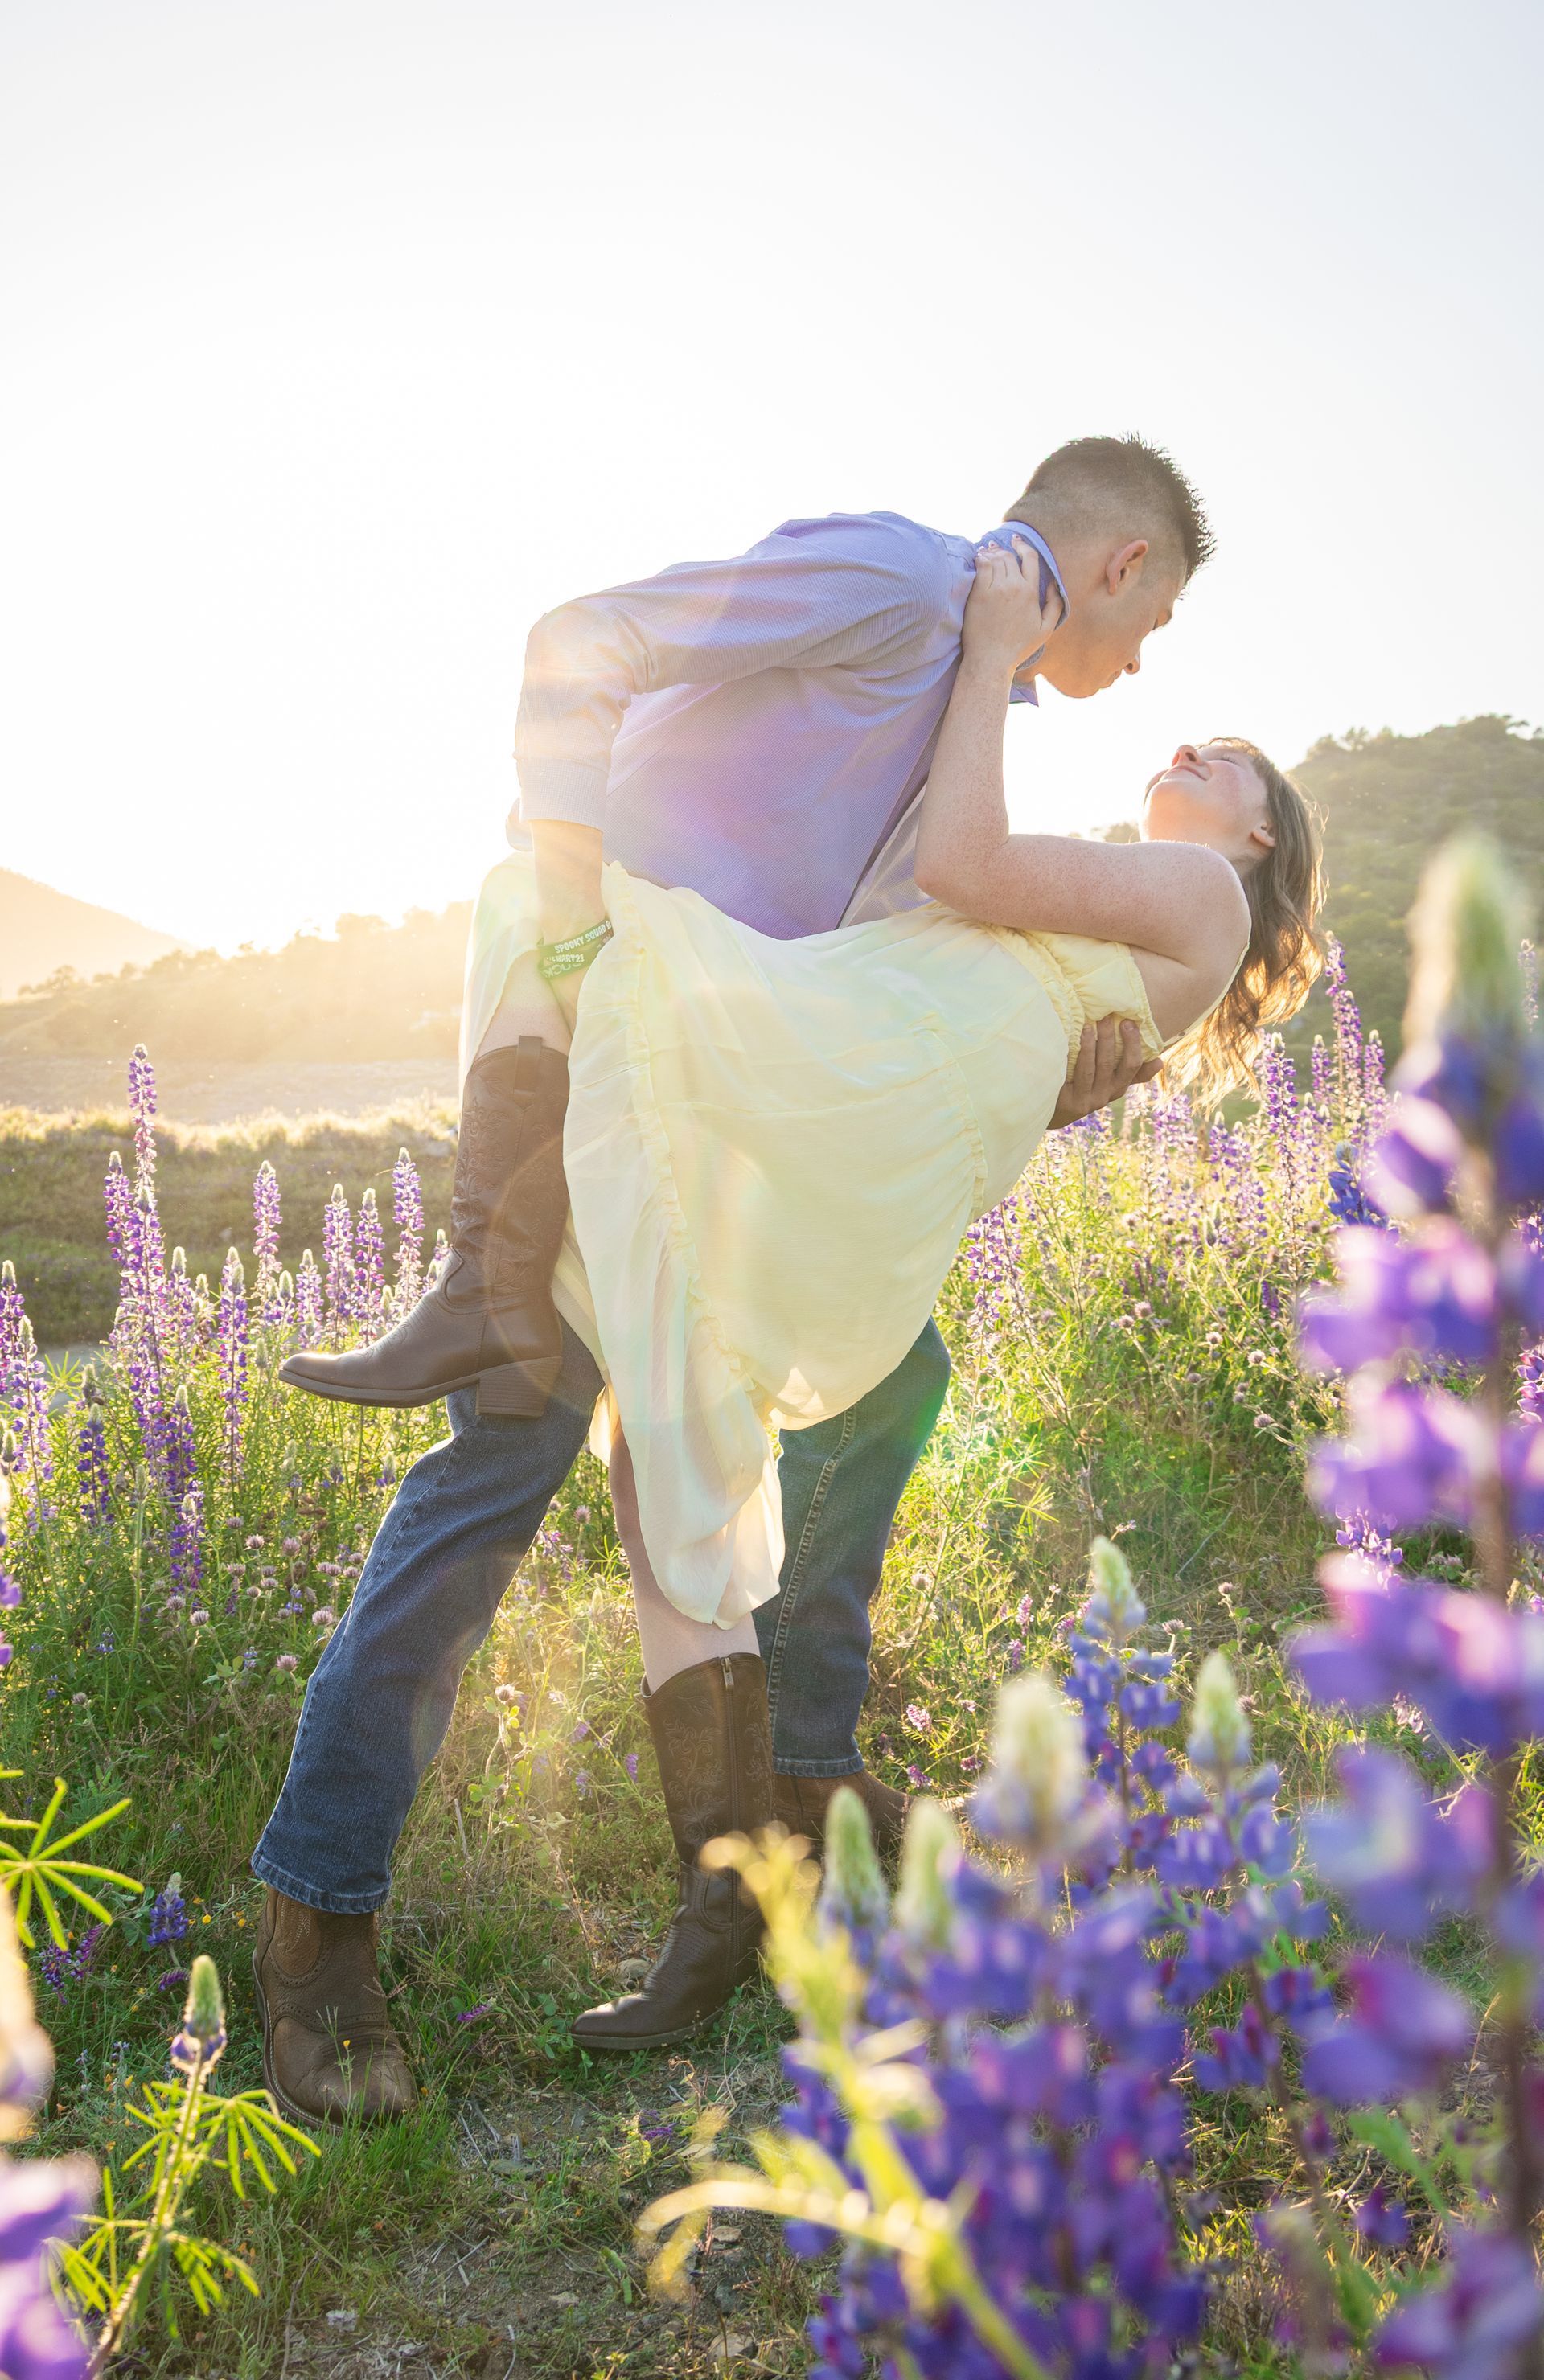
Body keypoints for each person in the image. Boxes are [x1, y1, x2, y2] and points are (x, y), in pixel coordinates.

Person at [254, 438, 1217, 2121]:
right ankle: (313, 1943)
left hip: (693, 1123)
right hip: (595, 1050)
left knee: (751, 1462)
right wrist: (563, 903)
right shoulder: (905, 579)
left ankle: (759, 1877)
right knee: (495, 1475)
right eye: (1151, 628)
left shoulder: (966, 697)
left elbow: (904, 950)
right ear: (1123, 565)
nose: (1136, 671)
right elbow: (582, 635)